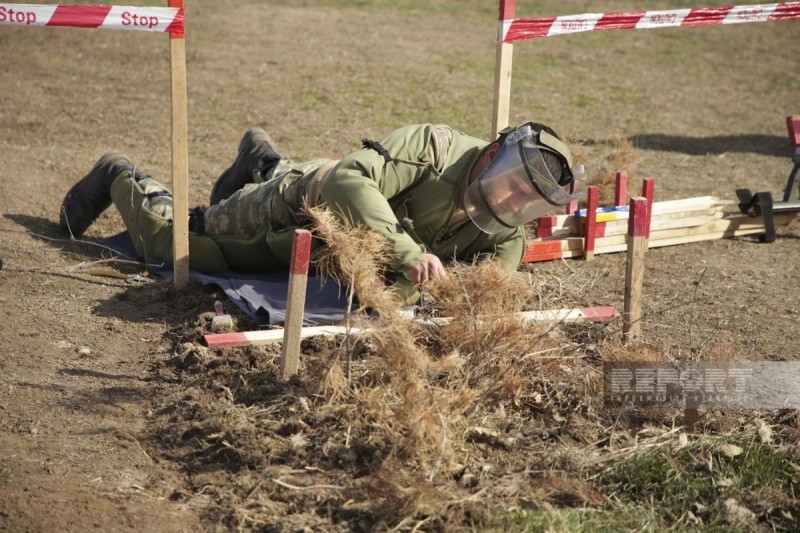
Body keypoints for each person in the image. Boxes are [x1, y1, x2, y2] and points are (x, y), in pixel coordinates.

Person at [59, 122, 586, 303]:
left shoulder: (506, 225)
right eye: (514, 186)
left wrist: (422, 288)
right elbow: (346, 180)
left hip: (336, 249)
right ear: (494, 156)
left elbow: (493, 265)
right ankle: (121, 175)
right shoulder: (436, 148)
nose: (513, 203)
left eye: (528, 201)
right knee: (184, 247)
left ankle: (260, 158)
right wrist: (408, 254)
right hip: (303, 207)